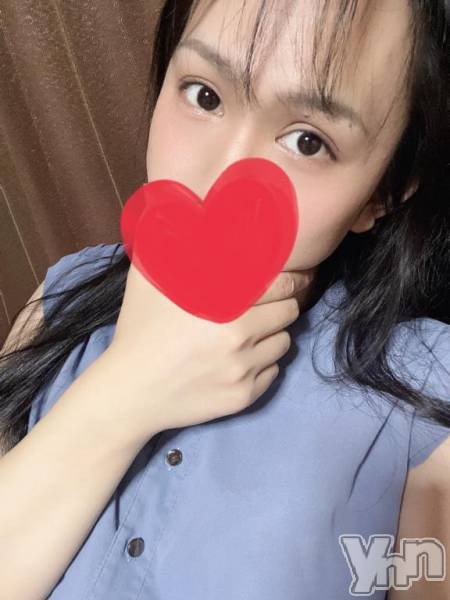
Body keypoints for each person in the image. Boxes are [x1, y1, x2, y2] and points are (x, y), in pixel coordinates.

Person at [0, 0, 448, 598]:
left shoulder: (425, 403)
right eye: (204, 95)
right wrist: (123, 393)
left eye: (308, 141)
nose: (222, 173)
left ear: (382, 195)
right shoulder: (64, 295)